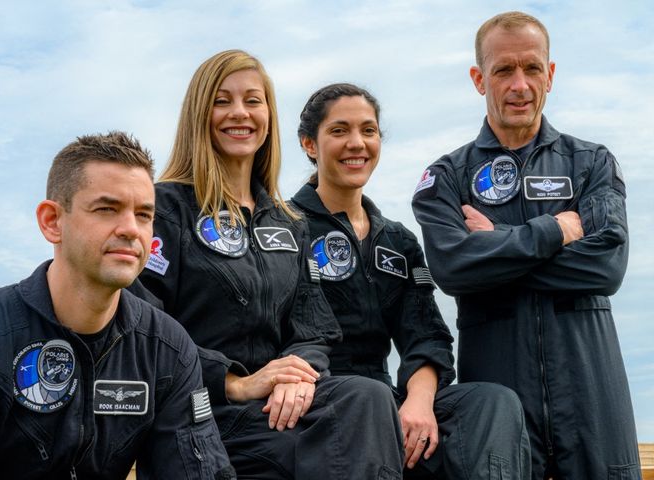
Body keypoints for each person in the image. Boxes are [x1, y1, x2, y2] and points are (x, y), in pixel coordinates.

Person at [136, 50, 403, 479]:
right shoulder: (163, 208)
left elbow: (313, 328)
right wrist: (234, 381)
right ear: (198, 114)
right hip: (201, 412)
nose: (239, 113)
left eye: (252, 101)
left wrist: (297, 375)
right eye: (222, 101)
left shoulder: (289, 223)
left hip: (275, 411)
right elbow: (142, 324)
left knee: (369, 397)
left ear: (268, 115)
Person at [412, 11, 640, 479]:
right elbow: (454, 269)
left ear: (550, 74)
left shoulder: (592, 163)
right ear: (479, 79)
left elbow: (607, 268)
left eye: (532, 68)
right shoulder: (447, 178)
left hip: (593, 398)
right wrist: (553, 232)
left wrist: (495, 246)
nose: (520, 85)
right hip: (499, 406)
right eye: (503, 70)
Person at [0, 132, 235, 479]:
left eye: (143, 214)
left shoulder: (168, 350)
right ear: (52, 221)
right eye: (107, 209)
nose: (130, 230)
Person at [291, 82, 531, 479]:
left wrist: (418, 405)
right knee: (365, 403)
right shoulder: (284, 228)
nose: (357, 143)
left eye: (368, 131)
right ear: (310, 145)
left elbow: (425, 336)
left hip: (385, 397)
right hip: (318, 400)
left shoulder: (398, 240)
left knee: (492, 402)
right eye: (339, 131)